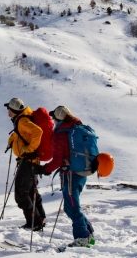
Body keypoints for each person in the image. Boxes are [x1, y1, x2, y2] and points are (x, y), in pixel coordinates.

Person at [41, 105, 95, 248]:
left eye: (53, 118)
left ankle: (82, 237)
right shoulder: (77, 127)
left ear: (58, 118)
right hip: (81, 172)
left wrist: (45, 169)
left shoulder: (61, 133)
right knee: (70, 207)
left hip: (70, 174)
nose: (53, 121)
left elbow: (58, 159)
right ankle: (88, 234)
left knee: (72, 207)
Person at [4, 97, 46, 231]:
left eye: (9, 109)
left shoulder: (22, 121)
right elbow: (22, 135)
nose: (7, 112)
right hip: (31, 161)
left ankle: (34, 222)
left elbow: (37, 132)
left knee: (21, 194)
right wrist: (12, 139)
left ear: (14, 110)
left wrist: (29, 149)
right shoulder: (21, 120)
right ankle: (40, 218)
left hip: (27, 161)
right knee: (31, 191)